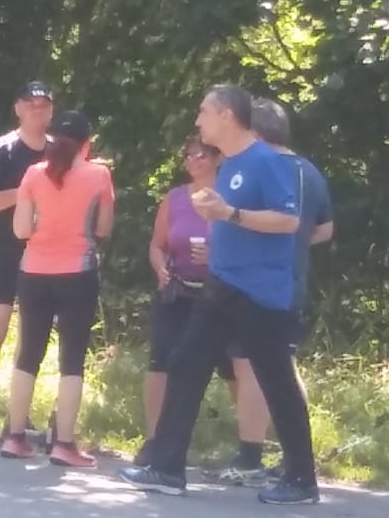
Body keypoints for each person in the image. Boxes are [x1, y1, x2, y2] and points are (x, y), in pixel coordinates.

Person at [121, 85, 318, 504]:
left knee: (277, 381)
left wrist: (229, 212)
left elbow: (288, 221)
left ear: (226, 115)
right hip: (222, 286)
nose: (198, 121)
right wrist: (217, 215)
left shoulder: (265, 160)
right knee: (185, 364)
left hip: (260, 293)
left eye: (203, 112)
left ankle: (302, 480)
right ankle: (166, 468)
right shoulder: (229, 165)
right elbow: (232, 221)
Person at [213, 98, 333, 483]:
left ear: (256, 132)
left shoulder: (263, 165)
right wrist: (292, 244)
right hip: (293, 279)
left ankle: (250, 455)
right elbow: (325, 229)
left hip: (256, 283)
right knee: (283, 367)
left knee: (249, 364)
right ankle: (296, 457)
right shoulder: (310, 171)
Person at [0, 110, 113, 467]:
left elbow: (21, 230)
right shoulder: (99, 175)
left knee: (28, 355)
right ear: (87, 143)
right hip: (78, 273)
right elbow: (104, 228)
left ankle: (14, 437)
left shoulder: (33, 174)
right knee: (72, 359)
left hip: (33, 271)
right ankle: (64, 444)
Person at [0, 81, 54, 446]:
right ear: (18, 108)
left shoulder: (59, 152)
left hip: (46, 255)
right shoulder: (2, 149)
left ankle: (19, 417)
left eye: (44, 104)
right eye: (31, 103)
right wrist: (24, 193)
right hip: (4, 251)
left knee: (31, 336)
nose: (37, 109)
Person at [137, 137, 221, 466]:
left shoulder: (229, 199)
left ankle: (249, 450)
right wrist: (160, 268)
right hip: (177, 290)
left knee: (234, 367)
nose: (193, 161)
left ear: (217, 159)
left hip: (218, 294)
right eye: (188, 155)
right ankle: (155, 440)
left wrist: (216, 256)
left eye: (201, 155)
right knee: (160, 363)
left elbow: (245, 246)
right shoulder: (174, 198)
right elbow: (157, 245)